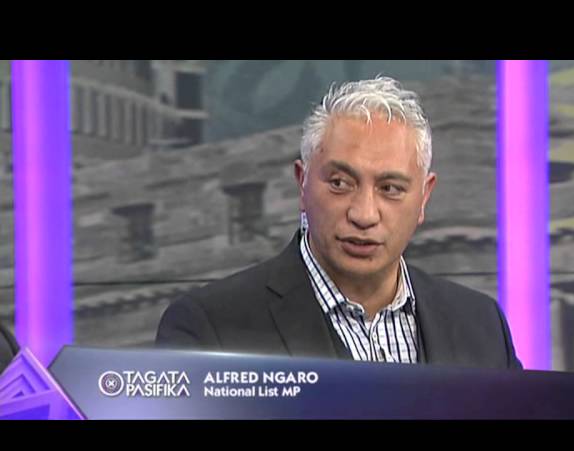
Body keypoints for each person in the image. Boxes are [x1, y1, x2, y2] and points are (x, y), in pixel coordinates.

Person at [156, 76, 522, 369]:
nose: (364, 214)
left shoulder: (483, 327)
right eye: (340, 183)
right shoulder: (209, 329)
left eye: (390, 189)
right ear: (302, 183)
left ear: (424, 197)